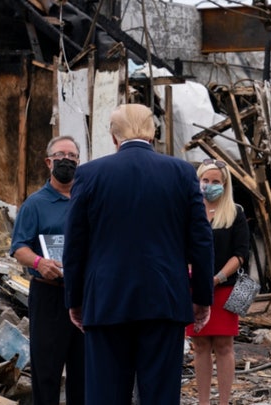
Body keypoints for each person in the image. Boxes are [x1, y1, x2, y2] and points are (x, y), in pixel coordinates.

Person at [62, 103, 215, 404]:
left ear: (113, 137)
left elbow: (75, 244)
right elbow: (201, 241)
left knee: (106, 395)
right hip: (164, 300)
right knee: (160, 395)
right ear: (152, 133)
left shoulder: (90, 174)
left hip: (106, 301)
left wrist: (75, 299)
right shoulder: (182, 172)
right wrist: (201, 297)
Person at [9, 135, 85, 405]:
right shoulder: (35, 204)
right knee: (47, 372)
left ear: (80, 161)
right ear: (48, 162)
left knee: (84, 372)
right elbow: (19, 248)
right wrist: (40, 262)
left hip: (85, 295)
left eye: (72, 156)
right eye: (60, 156)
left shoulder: (88, 200)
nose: (67, 161)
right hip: (49, 296)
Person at [186, 158, 250, 405]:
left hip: (226, 287)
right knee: (200, 345)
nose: (209, 185)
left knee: (224, 345)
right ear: (198, 181)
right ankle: (203, 401)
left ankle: (223, 401)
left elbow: (241, 253)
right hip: (195, 287)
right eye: (205, 180)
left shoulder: (236, 212)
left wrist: (218, 277)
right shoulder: (189, 212)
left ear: (225, 184)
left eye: (215, 182)